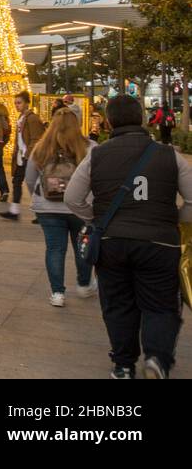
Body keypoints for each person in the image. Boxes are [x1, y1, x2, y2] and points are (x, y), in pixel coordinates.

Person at [65, 94, 192, 379]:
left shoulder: (96, 155)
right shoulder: (169, 154)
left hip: (111, 243)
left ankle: (123, 365)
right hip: (160, 242)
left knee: (118, 304)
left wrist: (95, 220)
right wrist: (172, 219)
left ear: (108, 122)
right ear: (144, 120)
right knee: (160, 305)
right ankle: (157, 359)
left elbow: (72, 198)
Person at [24, 108, 96, 307]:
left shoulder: (40, 148)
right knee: (82, 246)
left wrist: (38, 199)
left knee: (55, 249)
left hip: (48, 208)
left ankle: (57, 293)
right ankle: (83, 284)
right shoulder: (90, 147)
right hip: (80, 207)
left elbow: (30, 179)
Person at [1, 90, 45, 221]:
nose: (16, 105)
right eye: (15, 103)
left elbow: (36, 139)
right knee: (17, 182)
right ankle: (14, 211)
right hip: (21, 157)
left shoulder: (32, 118)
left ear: (27, 103)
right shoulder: (21, 118)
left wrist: (28, 155)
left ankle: (40, 212)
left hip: (29, 157)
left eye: (19, 103)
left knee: (34, 184)